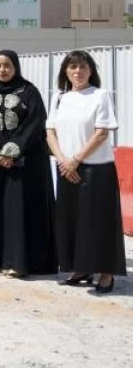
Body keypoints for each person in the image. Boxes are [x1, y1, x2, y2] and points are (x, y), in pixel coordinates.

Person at [0, 50, 56, 277]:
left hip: (23, 165)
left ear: (15, 67)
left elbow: (35, 123)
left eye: (7, 65)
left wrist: (12, 151)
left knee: (18, 212)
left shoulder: (29, 91)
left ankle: (19, 263)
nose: (2, 70)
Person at [46, 50, 125, 295]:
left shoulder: (100, 95)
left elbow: (102, 132)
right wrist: (63, 161)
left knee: (100, 222)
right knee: (72, 221)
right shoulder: (59, 97)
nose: (77, 71)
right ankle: (81, 269)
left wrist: (76, 159)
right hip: (65, 168)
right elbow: (50, 132)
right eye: (73, 67)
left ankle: (106, 273)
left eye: (83, 67)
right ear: (65, 71)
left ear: (91, 71)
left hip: (96, 169)